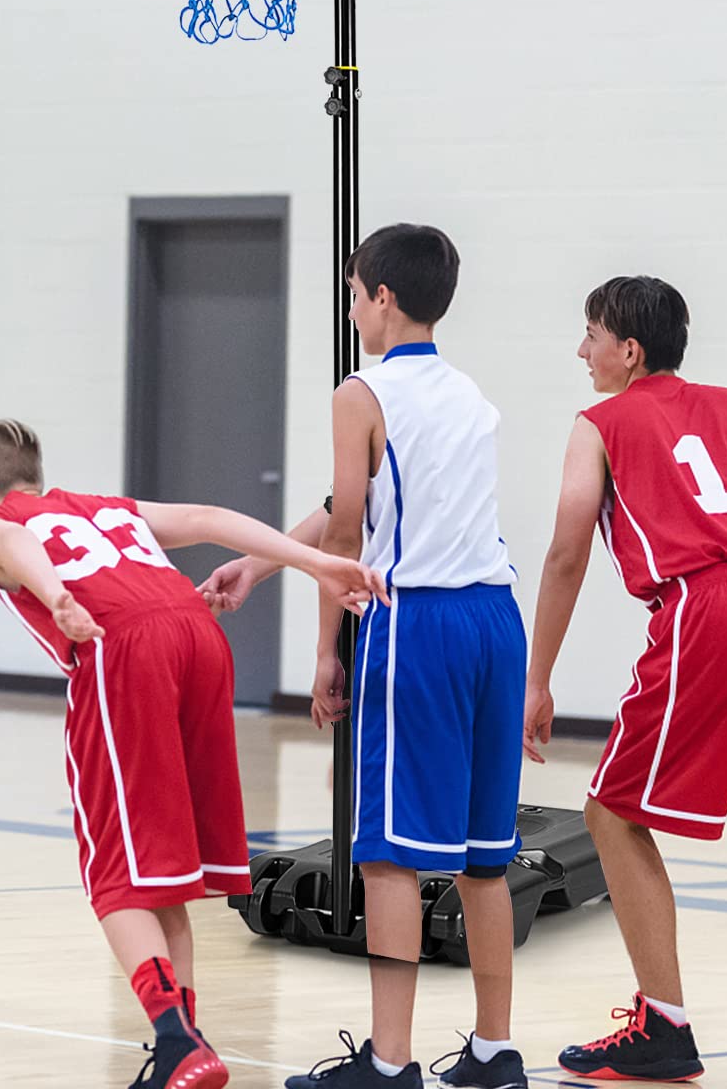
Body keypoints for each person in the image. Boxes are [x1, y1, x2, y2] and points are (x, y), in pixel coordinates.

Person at [0, 418, 388, 1089]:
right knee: (164, 871)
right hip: (198, 636)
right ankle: (190, 1048)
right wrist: (316, 561)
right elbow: (208, 517)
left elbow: (10, 539)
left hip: (121, 648)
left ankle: (176, 1040)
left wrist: (57, 594)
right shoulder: (101, 509)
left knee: (114, 875)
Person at [209, 225, 528, 1089]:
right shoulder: (468, 393)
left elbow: (348, 536)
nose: (352, 310)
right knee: (483, 856)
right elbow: (356, 509)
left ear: (383, 298)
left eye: (354, 294)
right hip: (495, 621)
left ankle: (391, 1066)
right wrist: (264, 557)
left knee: (385, 856)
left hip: (416, 622)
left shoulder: (361, 391)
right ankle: (496, 1055)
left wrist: (324, 650)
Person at [524, 276, 727, 1083]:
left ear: (629, 351)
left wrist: (538, 679)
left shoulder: (600, 421)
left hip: (710, 606)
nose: (581, 351)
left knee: (611, 812)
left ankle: (663, 1027)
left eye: (590, 335)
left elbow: (565, 553)